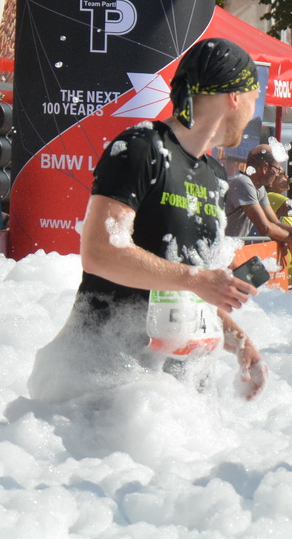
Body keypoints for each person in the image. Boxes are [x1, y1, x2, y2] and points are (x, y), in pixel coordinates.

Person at [30, 37, 268, 399]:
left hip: (172, 392)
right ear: (234, 97)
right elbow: (100, 252)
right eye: (252, 100)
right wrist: (196, 279)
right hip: (103, 378)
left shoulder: (216, 176)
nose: (252, 113)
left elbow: (189, 284)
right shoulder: (143, 148)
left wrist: (238, 341)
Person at [225, 145, 292, 267]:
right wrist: (290, 237)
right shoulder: (242, 182)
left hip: (227, 250)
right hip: (216, 249)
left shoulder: (259, 189)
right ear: (265, 168)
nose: (278, 173)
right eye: (277, 169)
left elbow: (275, 223)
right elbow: (265, 227)